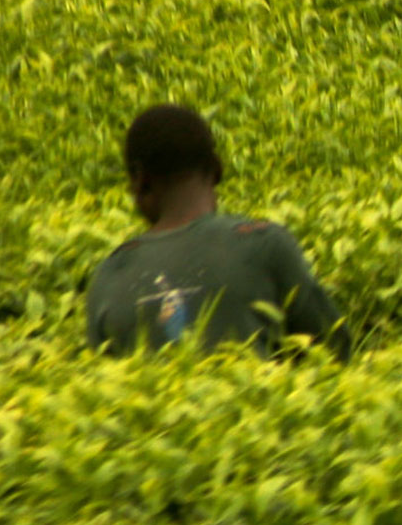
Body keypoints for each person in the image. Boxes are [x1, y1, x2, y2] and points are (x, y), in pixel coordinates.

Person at [84, 105, 352, 358]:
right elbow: (334, 351)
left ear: (139, 181)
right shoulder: (262, 243)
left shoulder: (109, 274)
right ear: (218, 169)